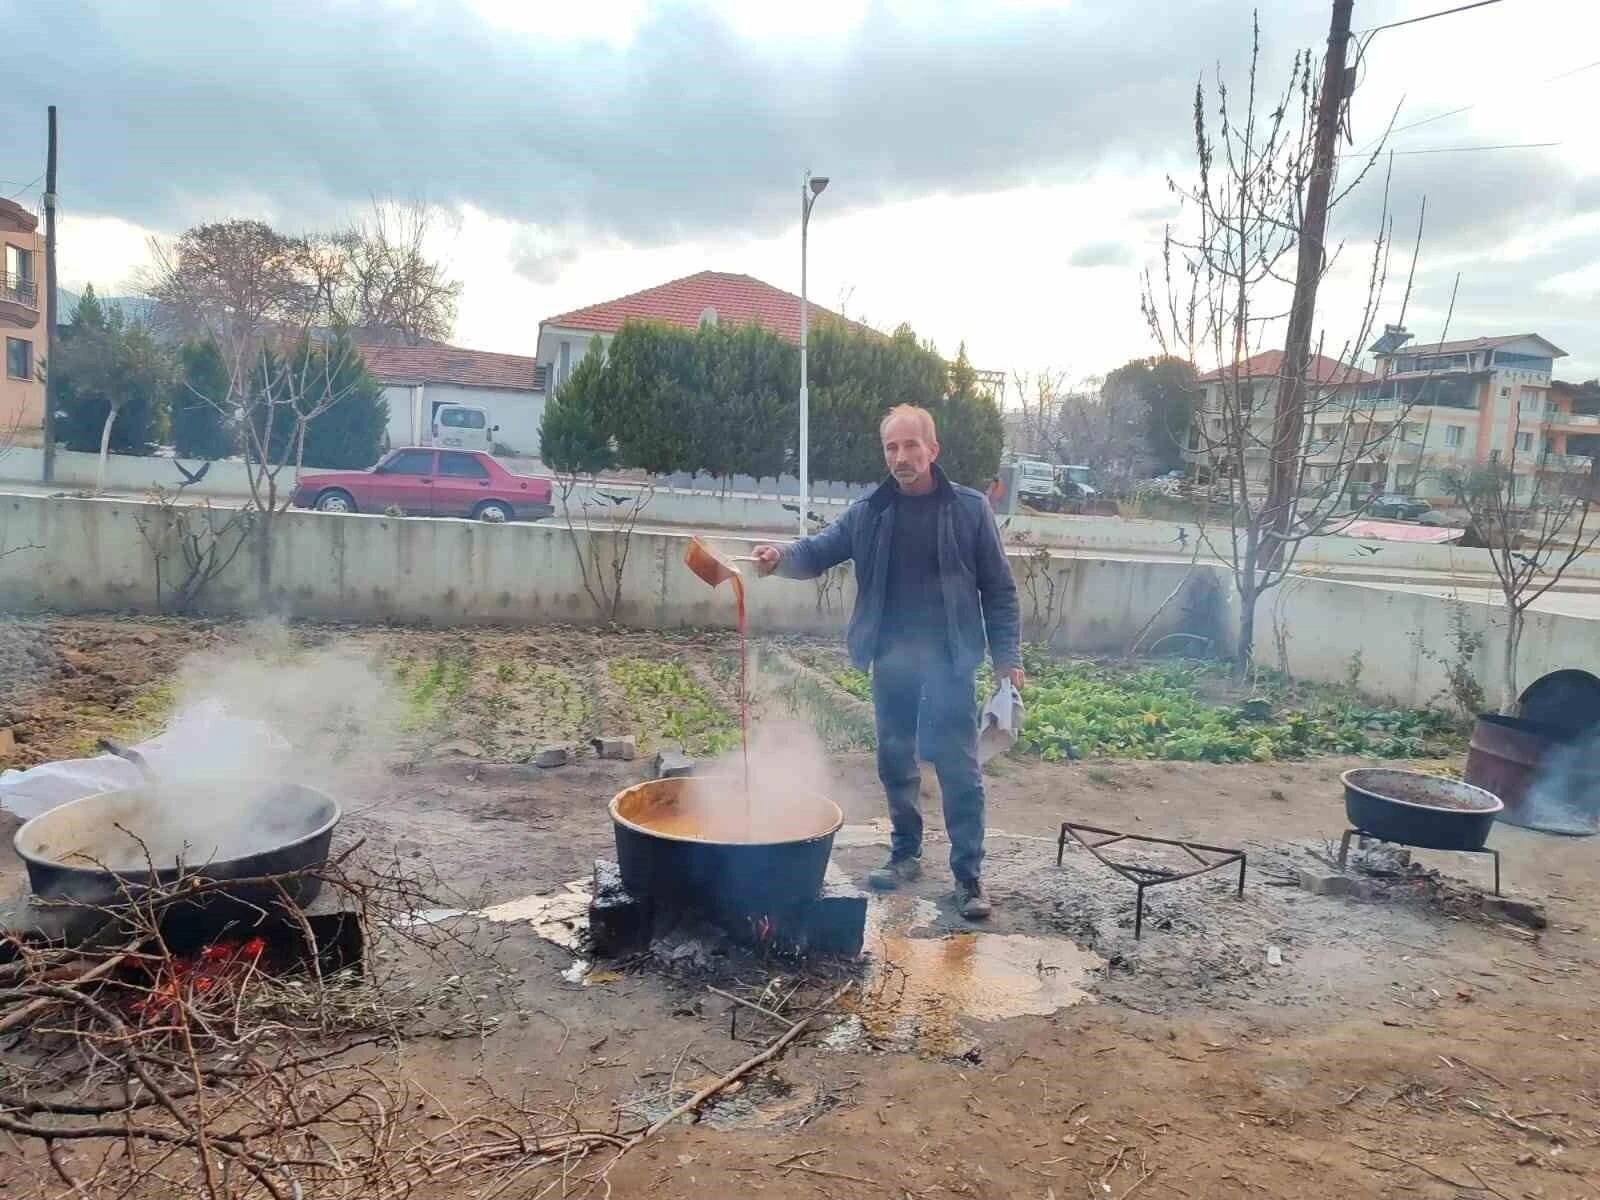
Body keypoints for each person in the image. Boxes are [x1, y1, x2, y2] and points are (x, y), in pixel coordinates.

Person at [754, 405, 1022, 920]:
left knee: (959, 769)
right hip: (892, 660)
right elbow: (819, 550)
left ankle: (969, 878)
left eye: (910, 446)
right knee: (895, 760)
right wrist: (779, 558)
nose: (901, 457)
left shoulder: (969, 510)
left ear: (932, 449)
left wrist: (1007, 657)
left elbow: (1000, 588)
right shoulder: (870, 512)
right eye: (891, 448)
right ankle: (905, 854)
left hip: (950, 661)